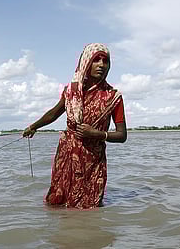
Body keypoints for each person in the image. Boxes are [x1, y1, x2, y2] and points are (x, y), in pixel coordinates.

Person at [23, 43, 127, 209]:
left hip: (94, 160)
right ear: (86, 62)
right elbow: (54, 113)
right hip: (67, 156)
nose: (101, 64)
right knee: (59, 202)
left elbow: (122, 136)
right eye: (96, 60)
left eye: (105, 61)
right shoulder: (72, 91)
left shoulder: (113, 97)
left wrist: (97, 134)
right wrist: (33, 127)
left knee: (91, 206)